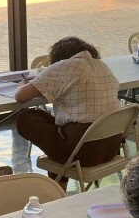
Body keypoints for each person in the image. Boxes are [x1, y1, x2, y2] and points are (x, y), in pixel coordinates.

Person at [14, 37, 121, 178]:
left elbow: (20, 96)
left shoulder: (65, 66)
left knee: (26, 119)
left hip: (83, 152)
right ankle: (58, 185)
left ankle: (58, 188)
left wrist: (24, 85)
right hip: (112, 147)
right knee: (56, 132)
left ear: (58, 56)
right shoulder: (102, 66)